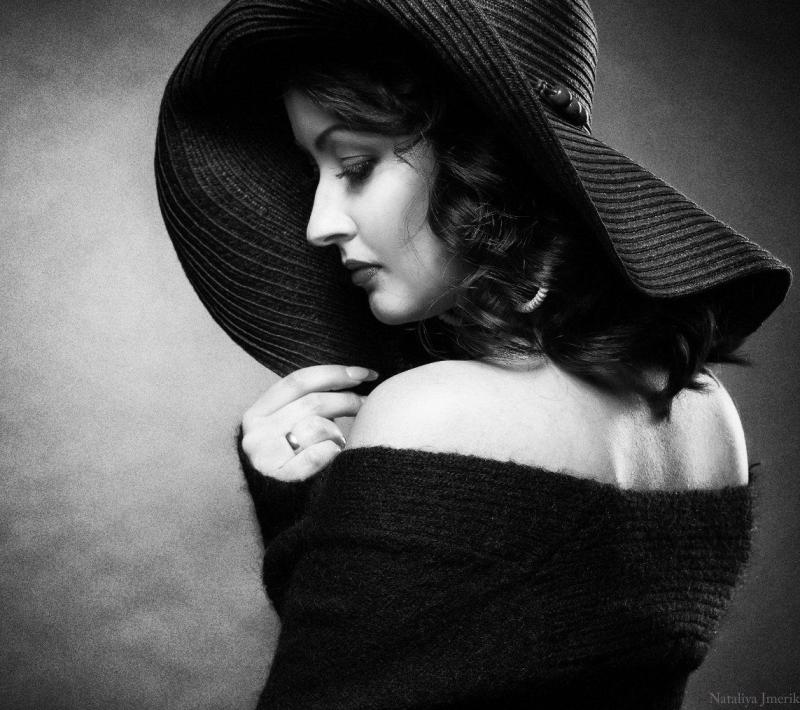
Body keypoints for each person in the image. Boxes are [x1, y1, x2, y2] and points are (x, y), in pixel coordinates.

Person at [155, 1, 790, 708]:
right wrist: (322, 513)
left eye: (356, 165)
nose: (318, 225)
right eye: (315, 174)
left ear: (481, 160)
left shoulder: (432, 412)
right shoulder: (705, 411)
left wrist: (304, 508)